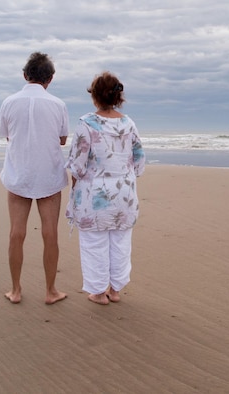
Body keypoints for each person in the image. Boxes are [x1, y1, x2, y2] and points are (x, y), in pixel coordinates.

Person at [66, 71, 145, 305]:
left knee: (94, 243)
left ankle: (99, 292)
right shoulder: (128, 123)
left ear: (95, 97)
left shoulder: (86, 124)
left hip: (94, 195)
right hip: (124, 194)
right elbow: (139, 160)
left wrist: (76, 184)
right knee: (120, 242)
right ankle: (116, 290)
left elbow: (78, 165)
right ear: (118, 97)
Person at [0, 51, 69, 305]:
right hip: (48, 174)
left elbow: (8, 136)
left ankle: (15, 290)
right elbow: (62, 140)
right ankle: (50, 291)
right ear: (50, 78)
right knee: (50, 233)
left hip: (19, 173)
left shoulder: (8, 102)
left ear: (25, 75)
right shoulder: (58, 104)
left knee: (16, 233)